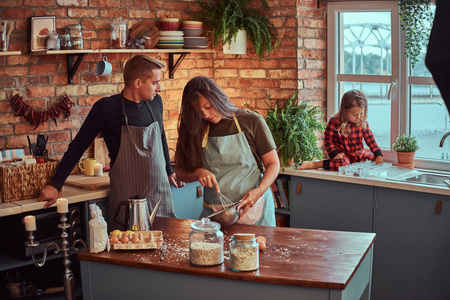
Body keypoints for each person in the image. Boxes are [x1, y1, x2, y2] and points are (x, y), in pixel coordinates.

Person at [38, 54, 184, 228]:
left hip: (159, 196)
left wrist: (169, 170)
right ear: (137, 83)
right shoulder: (106, 108)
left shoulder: (155, 103)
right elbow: (78, 146)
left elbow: (160, 137)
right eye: (155, 82)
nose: (159, 88)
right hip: (127, 202)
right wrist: (56, 184)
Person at [174, 76, 280, 226]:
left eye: (208, 106)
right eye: (199, 111)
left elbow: (273, 164)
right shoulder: (195, 129)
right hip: (216, 215)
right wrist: (199, 173)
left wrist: (259, 191)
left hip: (256, 210)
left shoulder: (251, 121)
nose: (205, 114)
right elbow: (180, 172)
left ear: (218, 98)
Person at [300, 89, 383, 171]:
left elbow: (370, 138)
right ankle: (317, 164)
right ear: (344, 111)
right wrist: (334, 154)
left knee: (373, 159)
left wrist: (377, 153)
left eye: (361, 113)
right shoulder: (335, 121)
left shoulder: (362, 122)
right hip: (342, 156)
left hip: (358, 155)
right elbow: (328, 140)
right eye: (355, 115)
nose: (359, 117)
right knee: (343, 163)